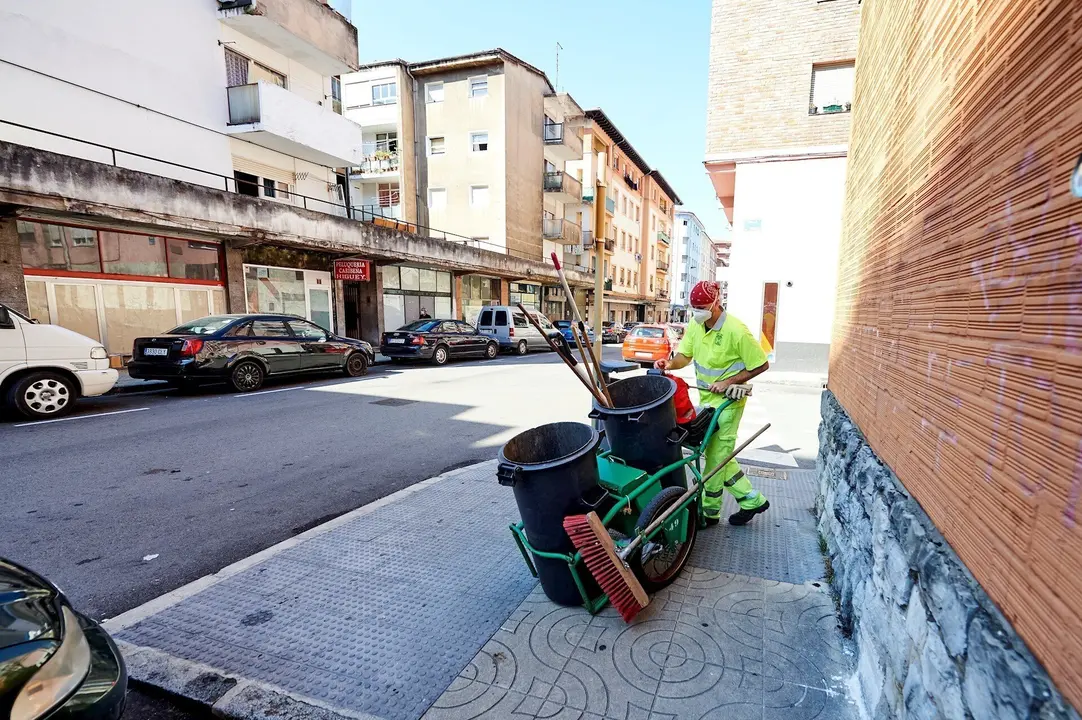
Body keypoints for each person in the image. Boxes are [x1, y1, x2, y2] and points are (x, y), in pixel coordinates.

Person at [654, 280, 771, 526]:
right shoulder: (696, 326)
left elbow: (761, 364)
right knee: (718, 455)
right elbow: (685, 356)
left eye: (702, 306)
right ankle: (753, 500)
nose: (697, 311)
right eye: (694, 306)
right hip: (707, 401)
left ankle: (709, 513)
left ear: (716, 303)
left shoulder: (737, 331)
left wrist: (729, 381)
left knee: (716, 460)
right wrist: (669, 363)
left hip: (729, 403)